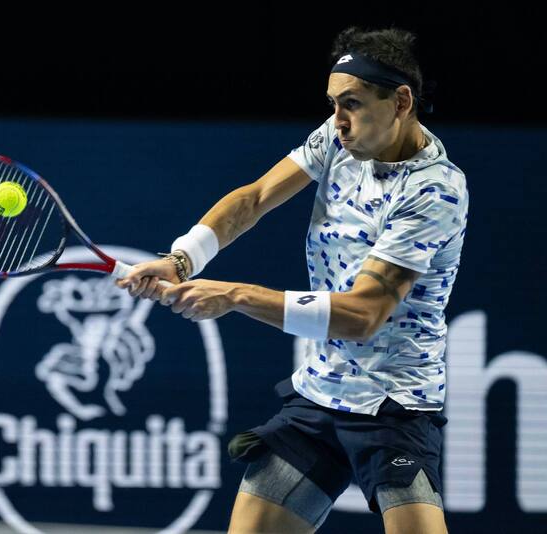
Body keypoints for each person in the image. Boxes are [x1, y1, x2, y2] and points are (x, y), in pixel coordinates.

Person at [116, 25, 468, 534]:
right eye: (332, 104)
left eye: (351, 104)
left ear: (401, 101)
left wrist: (236, 296)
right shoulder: (336, 139)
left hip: (395, 406)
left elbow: (361, 316)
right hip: (320, 393)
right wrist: (181, 260)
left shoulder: (434, 190)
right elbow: (254, 199)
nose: (338, 120)